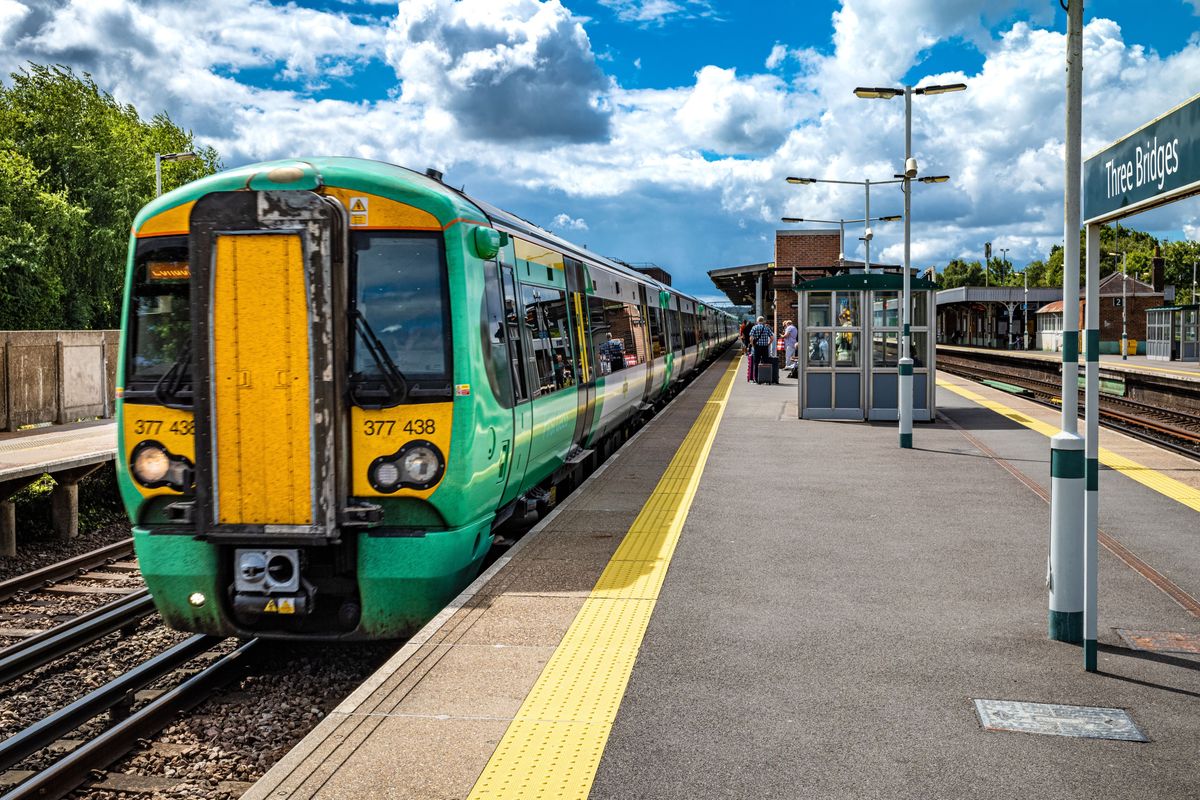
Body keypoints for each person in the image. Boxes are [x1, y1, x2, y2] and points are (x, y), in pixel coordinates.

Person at [748, 315, 775, 382]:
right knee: (765, 362)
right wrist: (768, 344)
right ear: (763, 321)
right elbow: (772, 338)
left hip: (757, 347)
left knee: (756, 362)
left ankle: (756, 379)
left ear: (757, 321)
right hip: (765, 348)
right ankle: (765, 378)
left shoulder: (754, 327)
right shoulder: (766, 328)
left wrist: (752, 345)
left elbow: (751, 338)